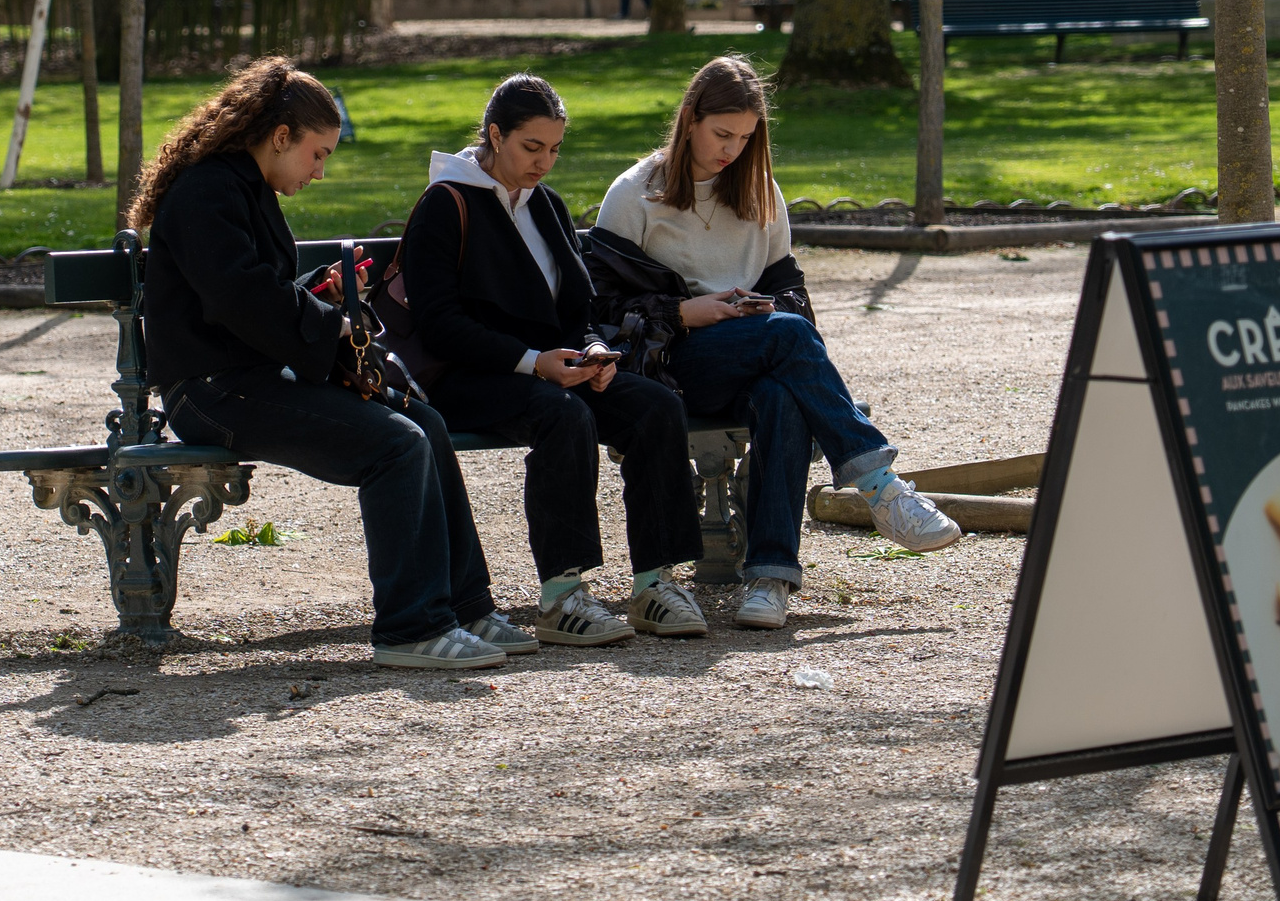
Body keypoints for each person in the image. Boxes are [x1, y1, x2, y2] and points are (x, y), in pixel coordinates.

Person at [138, 57, 525, 671]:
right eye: (317, 154)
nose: (319, 172)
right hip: (210, 393)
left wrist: (319, 294)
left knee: (424, 423)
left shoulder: (239, 186)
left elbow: (257, 294)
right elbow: (241, 299)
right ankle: (411, 629)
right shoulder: (208, 191)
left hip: (245, 379)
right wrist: (327, 324)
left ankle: (465, 605)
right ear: (280, 137)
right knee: (395, 446)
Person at [586, 55, 960, 632]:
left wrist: (761, 307)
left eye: (744, 137)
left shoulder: (760, 193)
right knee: (787, 338)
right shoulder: (636, 194)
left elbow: (793, 303)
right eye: (721, 134)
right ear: (689, 120)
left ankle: (769, 577)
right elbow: (601, 315)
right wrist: (687, 312)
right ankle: (880, 486)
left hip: (753, 356)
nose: (731, 149)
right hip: (668, 367)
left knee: (784, 393)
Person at [397, 75, 706, 646]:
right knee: (563, 415)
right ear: (495, 135)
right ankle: (562, 596)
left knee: (656, 406)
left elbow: (578, 307)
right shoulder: (446, 204)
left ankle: (654, 584)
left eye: (555, 149)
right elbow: (441, 326)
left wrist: (592, 349)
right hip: (466, 378)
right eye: (531, 148)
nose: (545, 162)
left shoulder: (547, 206)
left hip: (553, 369)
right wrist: (532, 361)